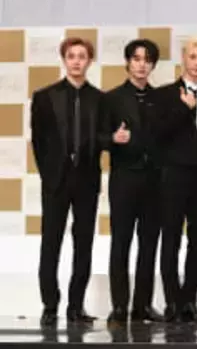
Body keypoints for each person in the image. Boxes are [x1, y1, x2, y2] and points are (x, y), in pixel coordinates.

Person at [31, 37, 103, 326]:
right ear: (64, 59)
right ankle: (50, 305)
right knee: (51, 243)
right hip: (56, 181)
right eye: (71, 56)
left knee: (83, 244)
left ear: (89, 61)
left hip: (87, 180)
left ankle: (76, 306)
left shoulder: (99, 99)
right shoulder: (44, 96)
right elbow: (38, 141)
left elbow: (101, 138)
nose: (76, 61)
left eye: (82, 56)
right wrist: (48, 175)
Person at [153, 37, 197, 323]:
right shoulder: (163, 95)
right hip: (172, 175)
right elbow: (157, 135)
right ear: (183, 59)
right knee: (170, 238)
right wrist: (184, 109)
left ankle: (189, 302)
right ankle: (172, 301)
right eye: (192, 57)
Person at [99, 39, 163, 324]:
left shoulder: (161, 99)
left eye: (147, 60)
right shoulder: (111, 98)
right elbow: (98, 137)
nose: (141, 65)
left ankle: (143, 305)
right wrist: (113, 139)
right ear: (128, 62)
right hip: (124, 178)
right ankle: (119, 306)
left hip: (155, 181)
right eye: (136, 58)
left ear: (153, 65)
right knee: (121, 242)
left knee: (149, 244)